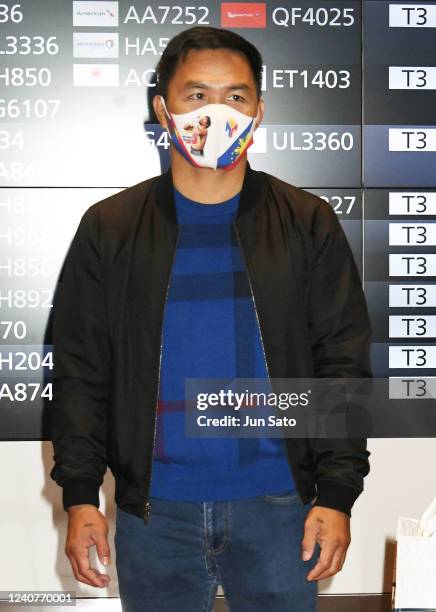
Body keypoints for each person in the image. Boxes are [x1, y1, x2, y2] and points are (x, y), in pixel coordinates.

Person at [49, 25, 372, 612]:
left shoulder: (306, 221)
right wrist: (80, 495)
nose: (216, 112)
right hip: (156, 515)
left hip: (282, 509)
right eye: (197, 95)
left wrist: (338, 493)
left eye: (236, 96)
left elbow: (341, 363)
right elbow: (81, 369)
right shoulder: (111, 227)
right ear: (162, 108)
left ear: (259, 110)